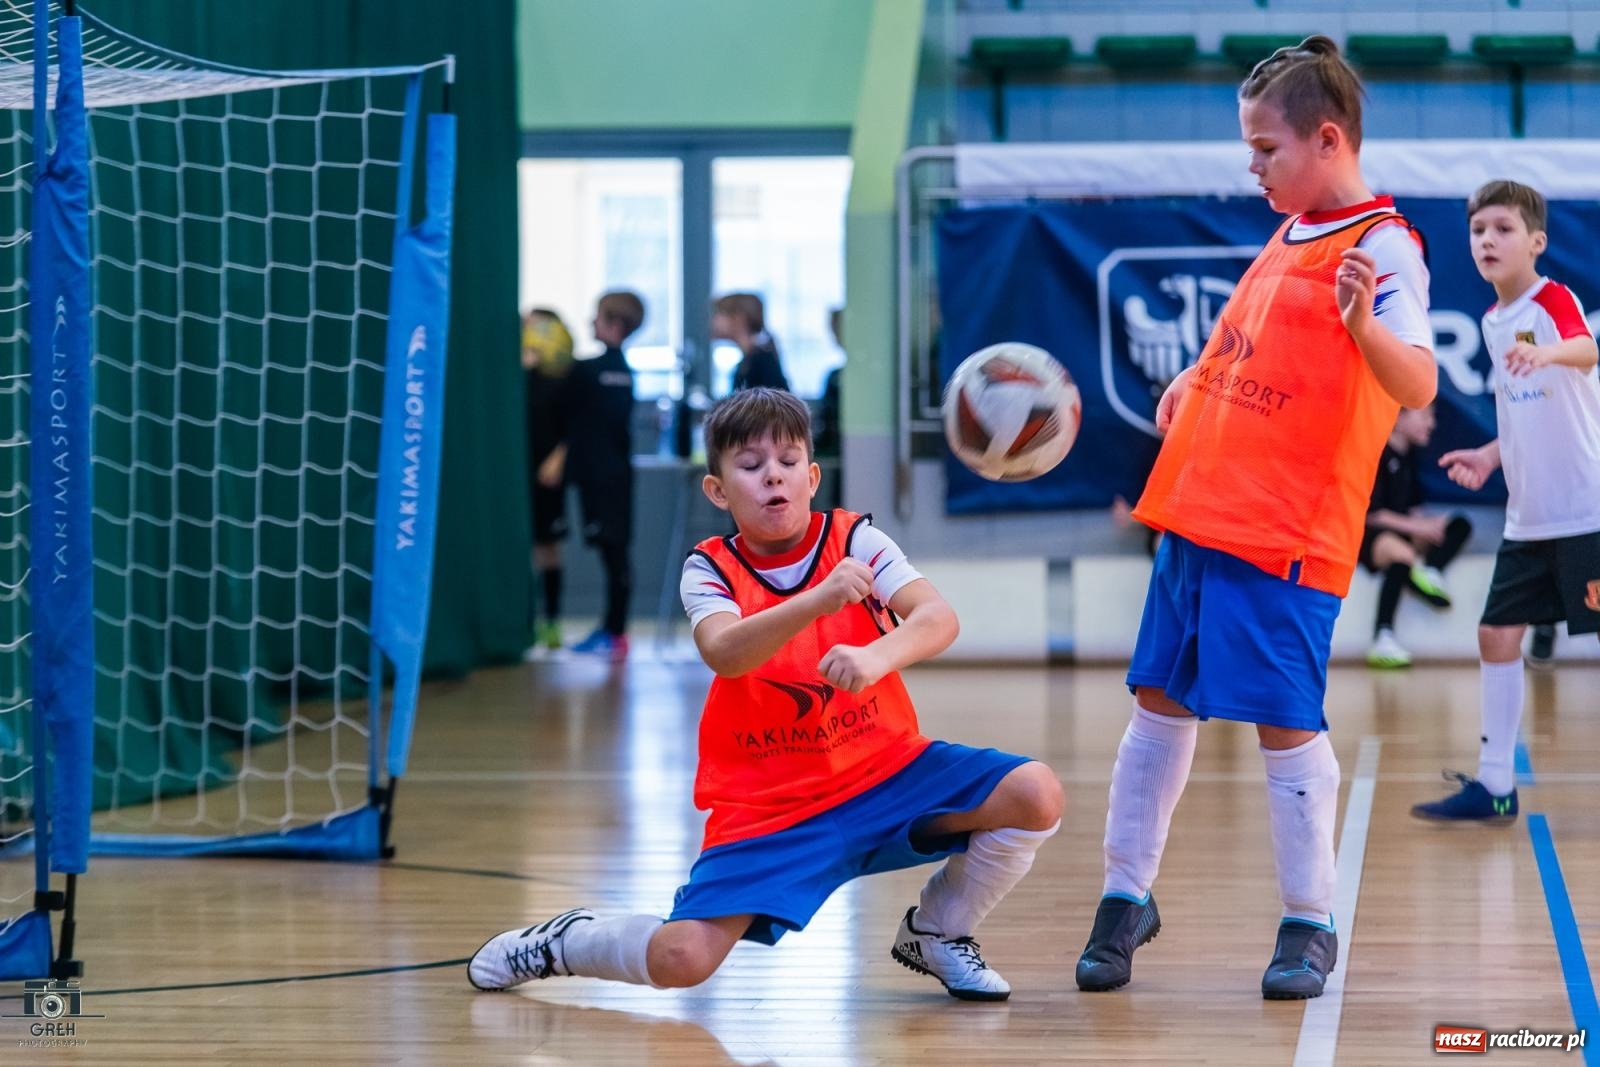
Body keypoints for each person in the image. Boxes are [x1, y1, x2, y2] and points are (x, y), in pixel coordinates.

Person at [468, 387, 1063, 1001]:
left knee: (1034, 791)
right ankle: (563, 942)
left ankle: (938, 931)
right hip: (770, 805)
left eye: (786, 463)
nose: (771, 478)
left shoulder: (855, 538)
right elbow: (725, 652)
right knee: (683, 959)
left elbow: (938, 618)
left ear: (810, 477)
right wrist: (818, 600)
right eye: (750, 466)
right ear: (719, 491)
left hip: (886, 770)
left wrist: (875, 654)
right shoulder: (710, 567)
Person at [1074, 36, 1436, 1002]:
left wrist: (1364, 328)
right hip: (1198, 511)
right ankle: (1123, 898)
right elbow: (1247, 346)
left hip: (1284, 529)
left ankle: (1308, 920)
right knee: (1158, 703)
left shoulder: (1385, 244)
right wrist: (1196, 376)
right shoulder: (1288, 231)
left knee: (1282, 722)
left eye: (1265, 149)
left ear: (1327, 139)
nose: (1253, 166)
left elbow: (1418, 378)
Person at [1412, 179, 1600, 822]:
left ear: (1536, 242)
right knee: (1495, 634)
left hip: (1585, 512)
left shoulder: (1552, 301)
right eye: (1477, 230)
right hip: (1529, 519)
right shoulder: (1494, 323)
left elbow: (1586, 348)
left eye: (1503, 228)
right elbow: (1526, 410)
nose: (1487, 240)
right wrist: (1491, 455)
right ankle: (1496, 787)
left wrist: (1547, 350)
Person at [557, 290, 643, 660]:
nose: (592, 322)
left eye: (598, 316)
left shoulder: (588, 371)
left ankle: (615, 632)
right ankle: (614, 630)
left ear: (614, 325)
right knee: (615, 552)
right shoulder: (623, 371)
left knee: (615, 554)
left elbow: (566, 412)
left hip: (602, 479)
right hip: (616, 476)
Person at [1360, 405, 1474, 668]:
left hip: (1402, 530)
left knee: (1457, 525)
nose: (1431, 424)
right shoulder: (1376, 452)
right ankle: (1383, 637)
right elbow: (1372, 514)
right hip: (1372, 535)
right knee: (1400, 554)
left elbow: (1410, 506)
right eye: (1425, 416)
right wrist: (1418, 528)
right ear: (1398, 419)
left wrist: (1429, 524)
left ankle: (1430, 572)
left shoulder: (1409, 455)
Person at [522, 308, 575, 651]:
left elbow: (575, 427)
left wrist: (558, 459)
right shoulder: (519, 378)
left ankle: (551, 621)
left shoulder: (563, 380)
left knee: (547, 547)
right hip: (520, 472)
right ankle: (523, 621)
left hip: (547, 479)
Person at [712, 293, 790, 392]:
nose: (714, 321)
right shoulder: (749, 361)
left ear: (738, 318)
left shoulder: (762, 362)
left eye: (719, 314)